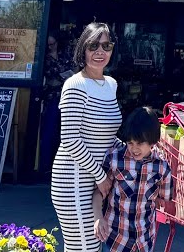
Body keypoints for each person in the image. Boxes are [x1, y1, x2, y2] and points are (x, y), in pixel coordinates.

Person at [52, 22, 123, 252]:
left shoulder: (111, 84)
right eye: (93, 45)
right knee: (84, 246)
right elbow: (70, 139)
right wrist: (101, 176)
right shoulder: (75, 84)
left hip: (96, 181)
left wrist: (136, 149)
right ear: (83, 48)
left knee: (92, 246)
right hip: (72, 179)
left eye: (106, 45)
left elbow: (107, 136)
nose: (100, 52)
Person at [94, 107, 174, 252]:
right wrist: (98, 217)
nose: (134, 148)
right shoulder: (114, 159)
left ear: (152, 141)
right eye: (130, 143)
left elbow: (164, 200)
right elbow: (99, 193)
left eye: (140, 143)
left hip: (144, 241)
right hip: (114, 240)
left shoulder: (162, 167)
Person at [38, 33, 67, 178]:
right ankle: (45, 166)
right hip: (52, 98)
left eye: (52, 44)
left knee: (65, 134)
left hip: (66, 98)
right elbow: (50, 78)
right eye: (48, 45)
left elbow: (72, 72)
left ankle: (61, 167)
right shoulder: (44, 58)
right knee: (49, 131)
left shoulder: (64, 55)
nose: (50, 47)